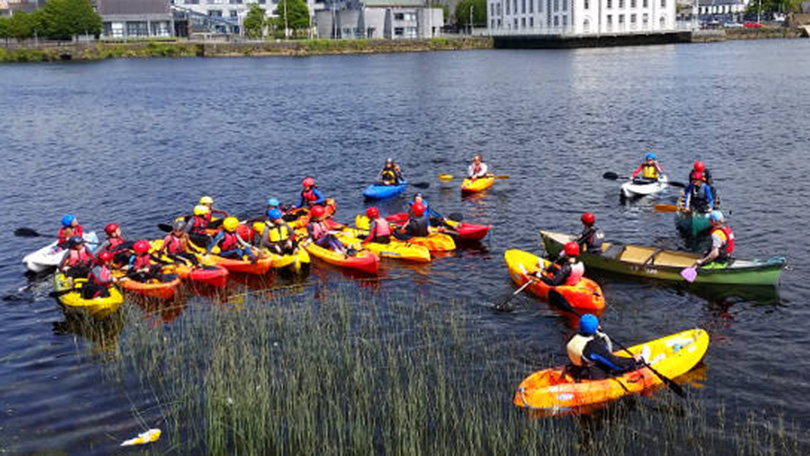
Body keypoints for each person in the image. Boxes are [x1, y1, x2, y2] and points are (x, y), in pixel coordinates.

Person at [565, 314, 643, 380]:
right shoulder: (593, 345)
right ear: (596, 326)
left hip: (575, 369)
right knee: (620, 367)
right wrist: (633, 360)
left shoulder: (573, 336)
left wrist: (596, 330)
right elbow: (615, 363)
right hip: (590, 375)